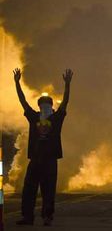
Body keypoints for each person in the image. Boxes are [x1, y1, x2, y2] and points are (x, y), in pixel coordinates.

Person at [13, 68, 73, 226]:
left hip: (50, 160)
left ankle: (47, 216)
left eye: (47, 104)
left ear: (51, 106)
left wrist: (67, 85)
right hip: (35, 159)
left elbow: (65, 102)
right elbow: (23, 102)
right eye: (42, 104)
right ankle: (28, 217)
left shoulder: (56, 118)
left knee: (48, 191)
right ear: (39, 107)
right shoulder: (34, 118)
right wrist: (17, 83)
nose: (45, 106)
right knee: (28, 190)